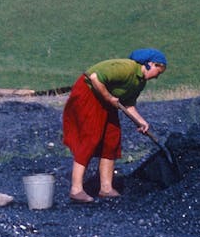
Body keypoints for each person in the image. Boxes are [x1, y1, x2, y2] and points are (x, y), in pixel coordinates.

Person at [62, 48, 167, 203]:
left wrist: (141, 121)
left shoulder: (140, 82)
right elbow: (95, 77)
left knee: (111, 140)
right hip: (88, 93)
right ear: (151, 64)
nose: (157, 76)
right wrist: (109, 97)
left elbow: (128, 104)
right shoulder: (127, 68)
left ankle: (106, 188)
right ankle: (76, 190)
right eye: (158, 71)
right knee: (90, 138)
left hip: (106, 100)